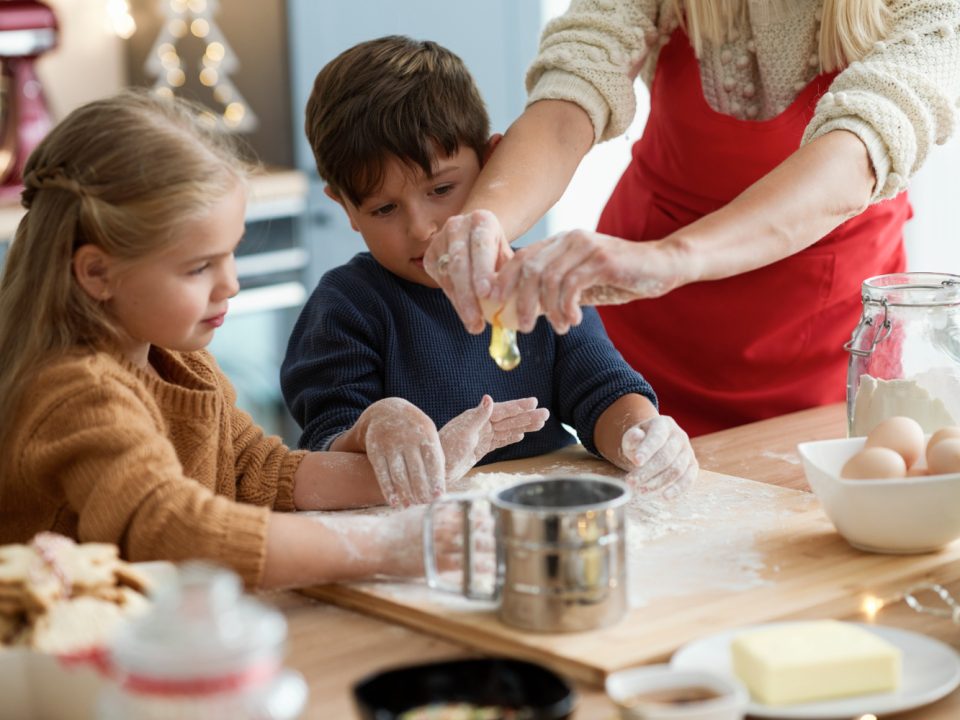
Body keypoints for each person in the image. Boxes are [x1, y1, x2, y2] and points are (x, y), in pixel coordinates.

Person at [0, 90, 513, 590]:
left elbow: (254, 472)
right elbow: (173, 529)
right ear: (97, 273)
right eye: (199, 267)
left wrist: (423, 470)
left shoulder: (177, 358)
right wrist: (387, 546)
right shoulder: (76, 393)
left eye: (230, 255)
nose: (230, 284)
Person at [424, 0, 960, 436]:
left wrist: (670, 258)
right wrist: (483, 219)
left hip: (820, 352)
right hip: (643, 348)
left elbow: (856, 155)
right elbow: (574, 86)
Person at [281, 35, 698, 497]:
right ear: (345, 208)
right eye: (384, 209)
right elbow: (325, 447)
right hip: (414, 535)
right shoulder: (345, 306)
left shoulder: (535, 281)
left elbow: (602, 391)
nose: (421, 228)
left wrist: (641, 436)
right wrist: (372, 429)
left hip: (541, 513)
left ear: (493, 162)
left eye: (440, 190)